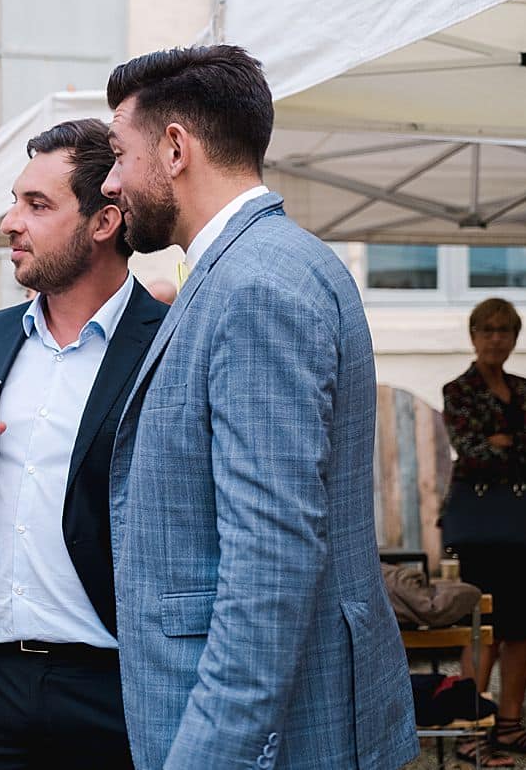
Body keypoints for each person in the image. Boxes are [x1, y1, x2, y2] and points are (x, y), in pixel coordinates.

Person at [102, 45, 417, 769]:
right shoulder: (251, 267)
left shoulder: (255, 285)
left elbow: (270, 559)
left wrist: (211, 755)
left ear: (176, 148)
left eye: (120, 156)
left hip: (273, 737)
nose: (112, 184)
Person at [0, 118, 167, 769]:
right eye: (14, 200)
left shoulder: (168, 341)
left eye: (36, 205)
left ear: (104, 221)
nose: (9, 223)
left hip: (113, 686)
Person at [442, 298, 526, 765]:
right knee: (483, 628)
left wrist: (506, 443)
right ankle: (473, 726)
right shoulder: (459, 390)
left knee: (523, 629)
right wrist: (517, 448)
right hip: (480, 528)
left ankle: (510, 725)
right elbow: (470, 452)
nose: (497, 338)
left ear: (515, 337)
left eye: (506, 330)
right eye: (488, 330)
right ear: (473, 335)